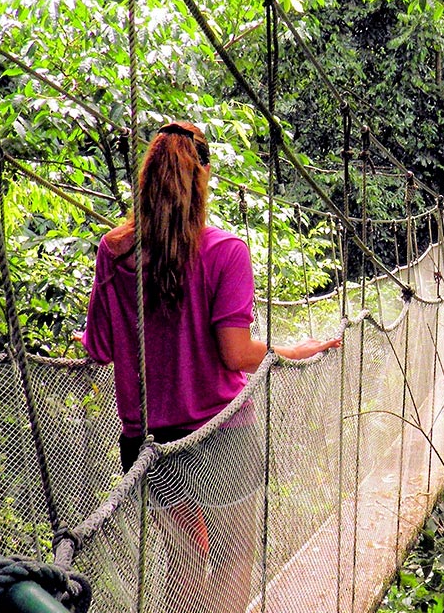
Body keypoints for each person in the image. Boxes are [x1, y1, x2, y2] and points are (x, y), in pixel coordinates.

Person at [80, 120, 339, 612]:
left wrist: (102, 331)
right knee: (233, 557)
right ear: (201, 178)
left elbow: (101, 349)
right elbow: (236, 354)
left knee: (183, 563)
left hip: (150, 442)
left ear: (147, 180)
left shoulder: (114, 251)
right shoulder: (226, 252)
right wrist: (292, 351)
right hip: (221, 432)